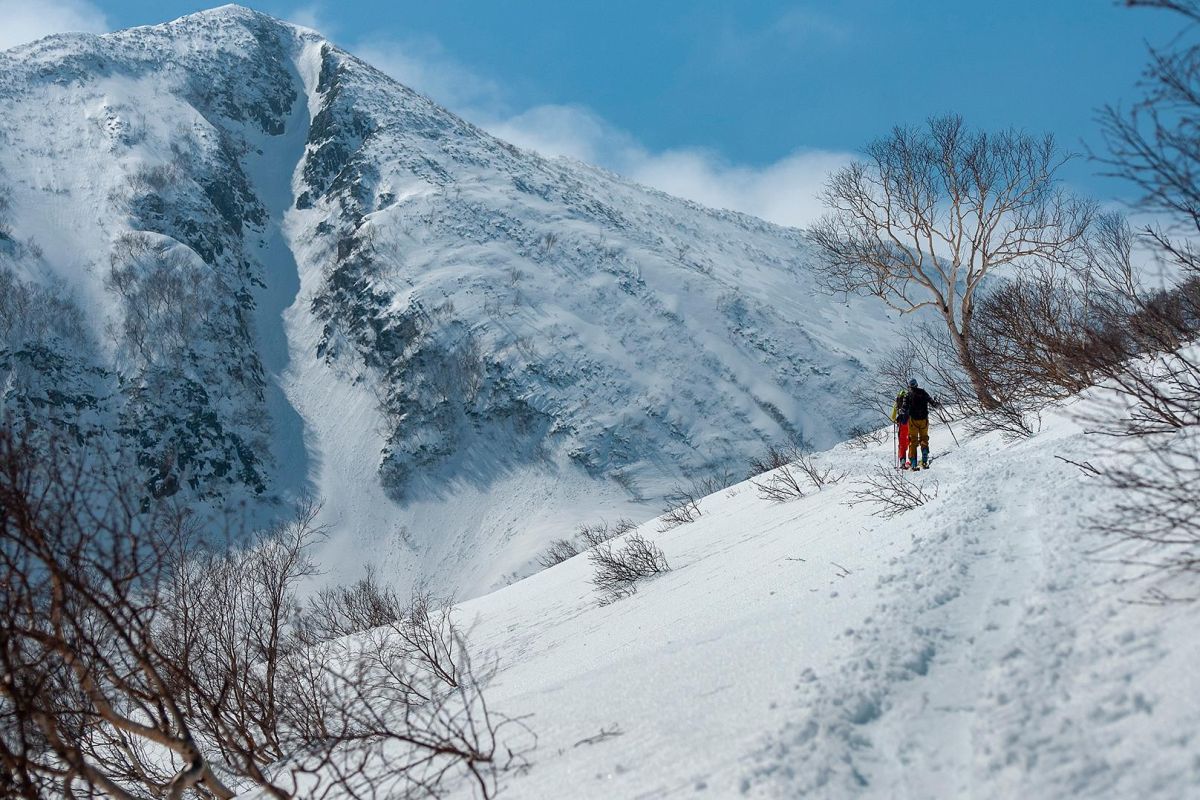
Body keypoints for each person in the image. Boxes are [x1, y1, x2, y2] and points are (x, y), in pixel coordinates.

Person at [903, 378, 939, 470]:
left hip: (913, 420)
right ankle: (924, 459)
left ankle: (913, 463)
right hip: (924, 419)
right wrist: (936, 403)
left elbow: (904, 408)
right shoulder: (923, 392)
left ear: (910, 386)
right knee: (924, 438)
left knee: (913, 440)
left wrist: (901, 412)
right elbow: (932, 402)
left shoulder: (908, 395)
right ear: (917, 384)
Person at [890, 386, 911, 469]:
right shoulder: (909, 401)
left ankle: (902, 462)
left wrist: (896, 420)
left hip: (902, 424)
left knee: (902, 443)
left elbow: (893, 417)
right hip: (910, 423)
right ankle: (912, 460)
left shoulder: (897, 403)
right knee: (911, 441)